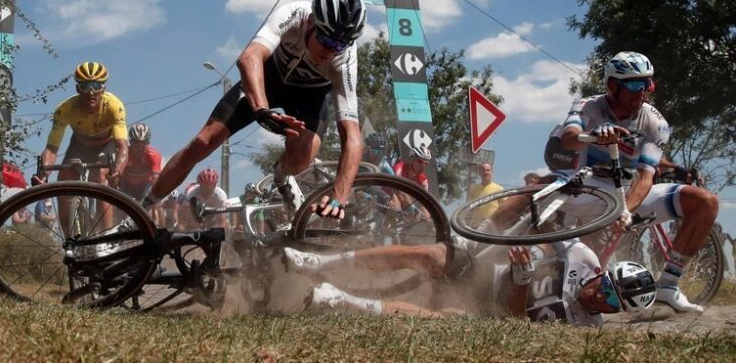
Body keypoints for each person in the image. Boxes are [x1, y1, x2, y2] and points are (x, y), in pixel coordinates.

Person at [144, 0, 367, 221]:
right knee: (203, 142)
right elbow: (249, 57)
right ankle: (144, 206)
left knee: (303, 157)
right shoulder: (294, 14)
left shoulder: (345, 60)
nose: (330, 51)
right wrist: (261, 109)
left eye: (339, 45)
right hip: (268, 81)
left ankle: (282, 177)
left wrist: (339, 197)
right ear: (312, 21)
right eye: (325, 40)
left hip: (310, 96)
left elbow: (352, 137)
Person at [554, 51, 718, 313]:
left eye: (647, 84)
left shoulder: (656, 122)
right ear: (612, 86)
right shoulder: (588, 106)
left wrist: (625, 211)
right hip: (590, 187)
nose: (642, 92)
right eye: (633, 85)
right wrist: (592, 135)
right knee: (528, 201)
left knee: (705, 202)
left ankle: (668, 285)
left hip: (629, 192)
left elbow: (645, 176)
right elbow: (568, 138)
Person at [285, 240, 657, 325]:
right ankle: (320, 261)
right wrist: (534, 252)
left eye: (613, 304)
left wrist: (523, 281)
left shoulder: (585, 326)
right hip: (486, 276)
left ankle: (336, 299)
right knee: (433, 254)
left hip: (492, 311)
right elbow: (548, 233)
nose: (601, 299)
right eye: (607, 288)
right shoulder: (584, 257)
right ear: (604, 274)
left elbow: (516, 324)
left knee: (443, 320)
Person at [32, 62, 128, 231]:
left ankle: (106, 236)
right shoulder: (65, 109)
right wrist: (44, 175)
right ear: (78, 88)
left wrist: (118, 171)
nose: (91, 92)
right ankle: (69, 239)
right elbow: (52, 149)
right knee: (62, 183)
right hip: (80, 146)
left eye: (96, 86)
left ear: (103, 89)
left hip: (106, 145)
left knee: (101, 176)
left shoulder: (114, 106)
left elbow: (122, 147)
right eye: (85, 86)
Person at [120, 123, 163, 225]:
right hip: (126, 185)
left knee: (156, 203)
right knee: (120, 206)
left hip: (144, 185)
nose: (140, 149)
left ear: (148, 144)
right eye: (136, 146)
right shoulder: (125, 153)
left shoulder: (154, 155)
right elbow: (117, 172)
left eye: (143, 146)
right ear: (131, 143)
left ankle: (160, 228)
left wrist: (154, 198)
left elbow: (155, 178)